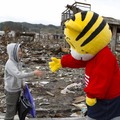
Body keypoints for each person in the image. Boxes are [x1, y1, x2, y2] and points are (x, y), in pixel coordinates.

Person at [49, 11, 120, 120]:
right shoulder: (92, 52)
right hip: (98, 96)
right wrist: (62, 62)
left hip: (107, 100)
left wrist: (91, 94)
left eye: (76, 47)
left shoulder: (105, 57)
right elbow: (79, 60)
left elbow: (101, 78)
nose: (74, 51)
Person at [4, 43, 44, 120]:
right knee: (10, 112)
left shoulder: (18, 62)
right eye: (18, 51)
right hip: (11, 91)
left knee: (16, 109)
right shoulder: (10, 63)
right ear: (13, 52)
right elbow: (18, 75)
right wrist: (33, 73)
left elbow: (20, 73)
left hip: (17, 89)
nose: (20, 53)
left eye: (21, 51)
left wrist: (23, 83)